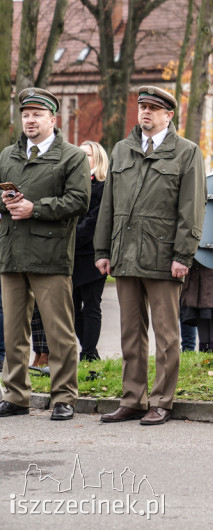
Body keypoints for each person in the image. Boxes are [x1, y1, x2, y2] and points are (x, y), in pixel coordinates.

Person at [95, 86, 206, 426]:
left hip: (163, 258)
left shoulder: (186, 152)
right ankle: (132, 399)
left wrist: (183, 256)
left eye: (153, 109)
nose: (145, 113)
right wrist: (103, 249)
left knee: (167, 335)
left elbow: (192, 208)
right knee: (130, 333)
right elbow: (108, 205)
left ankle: (161, 401)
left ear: (169, 115)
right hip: (125, 254)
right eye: (142, 107)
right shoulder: (122, 149)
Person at [0, 88, 90, 421]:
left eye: (37, 115)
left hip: (50, 254)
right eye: (25, 115)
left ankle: (64, 396)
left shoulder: (72, 157)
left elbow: (79, 200)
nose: (30, 120)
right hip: (11, 253)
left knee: (59, 331)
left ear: (53, 119)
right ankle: (16, 395)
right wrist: (8, 203)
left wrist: (35, 208)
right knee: (13, 331)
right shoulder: (8, 155)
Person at [73, 141, 108, 361]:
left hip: (94, 254)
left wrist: (73, 237)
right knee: (73, 308)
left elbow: (96, 219)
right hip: (72, 255)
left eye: (87, 155)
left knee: (92, 304)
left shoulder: (103, 185)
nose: (83, 159)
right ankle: (90, 351)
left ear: (98, 158)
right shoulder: (73, 183)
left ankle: (87, 353)